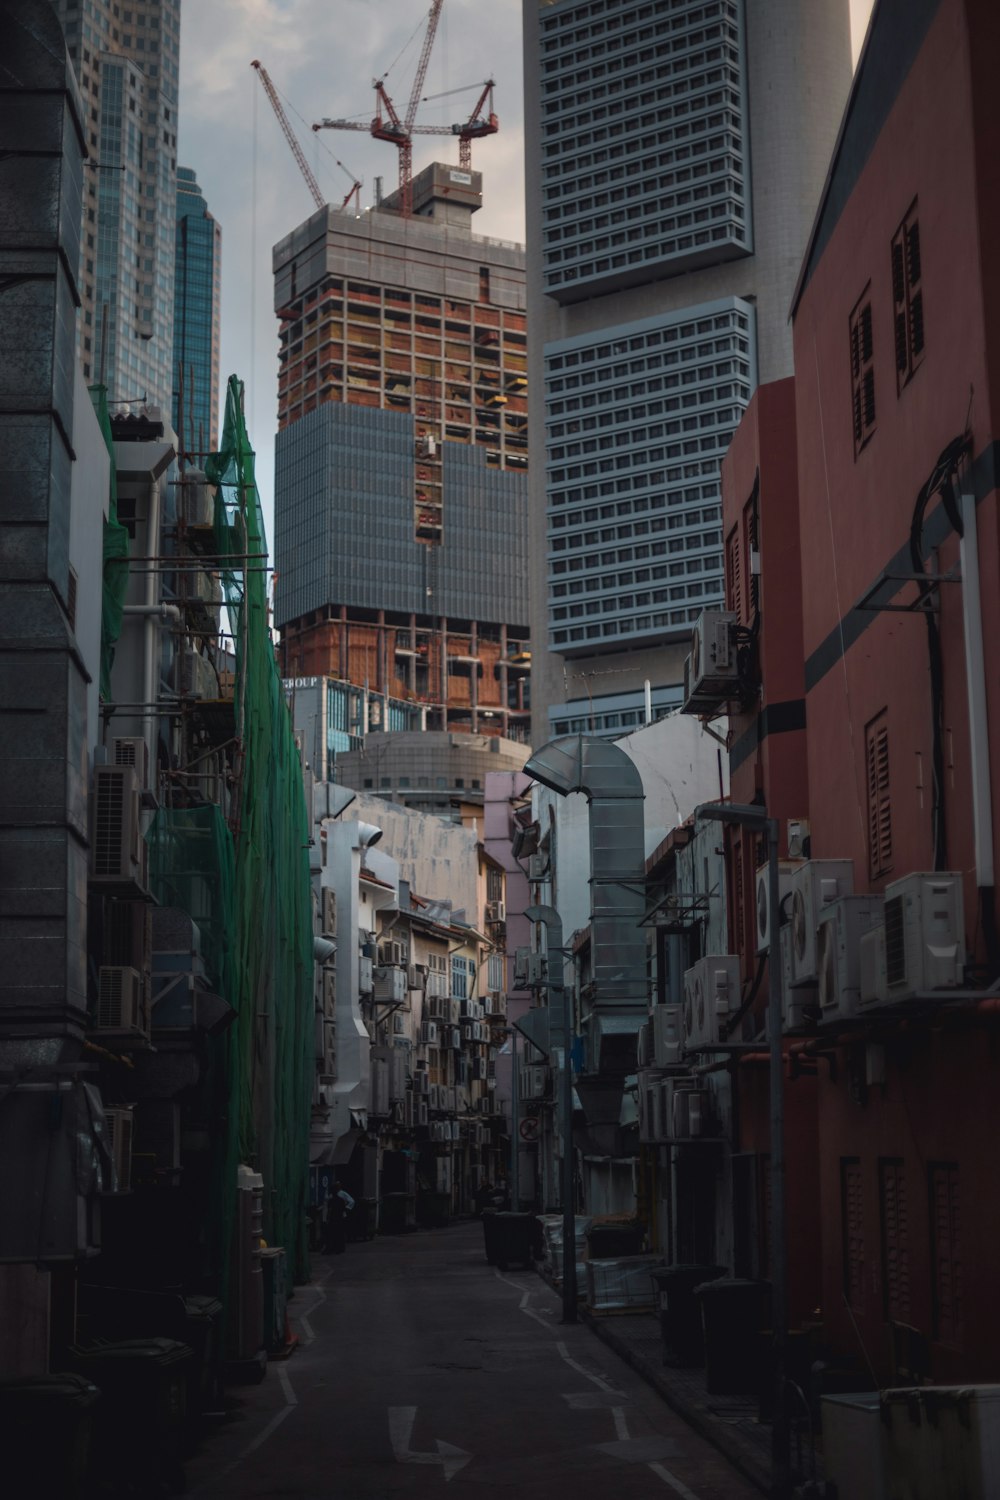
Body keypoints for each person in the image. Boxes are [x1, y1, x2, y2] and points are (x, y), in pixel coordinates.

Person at [321, 1179, 355, 1254]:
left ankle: (337, 1247)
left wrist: (347, 1209)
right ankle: (337, 1247)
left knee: (337, 1233)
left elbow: (351, 1201)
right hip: (338, 1217)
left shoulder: (342, 1194)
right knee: (337, 1233)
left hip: (338, 1217)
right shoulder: (333, 1197)